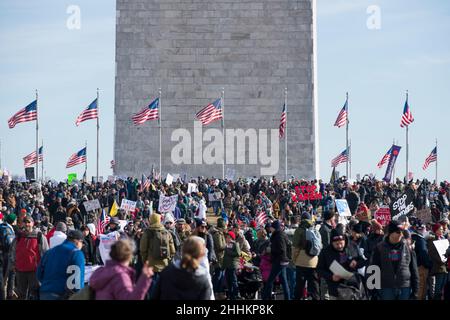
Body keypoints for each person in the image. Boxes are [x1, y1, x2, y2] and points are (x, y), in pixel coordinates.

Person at [370, 220, 419, 300]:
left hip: (404, 287)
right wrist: (372, 291)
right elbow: (373, 269)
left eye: (402, 231)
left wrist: (415, 291)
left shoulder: (408, 247)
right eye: (398, 232)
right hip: (386, 287)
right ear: (390, 233)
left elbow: (414, 270)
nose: (400, 234)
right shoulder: (379, 248)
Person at [317, 226, 366, 300]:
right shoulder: (325, 252)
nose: (339, 246)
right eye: (336, 244)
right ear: (332, 242)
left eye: (341, 243)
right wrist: (331, 276)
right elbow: (319, 269)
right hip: (335, 290)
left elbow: (362, 261)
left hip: (353, 287)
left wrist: (356, 263)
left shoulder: (353, 246)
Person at [37, 230, 86, 300]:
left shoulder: (49, 252)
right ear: (77, 241)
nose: (82, 246)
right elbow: (77, 283)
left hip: (45, 293)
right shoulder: (76, 253)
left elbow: (39, 274)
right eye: (82, 243)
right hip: (62, 295)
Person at [11, 214, 49, 300]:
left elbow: (46, 252)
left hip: (34, 271)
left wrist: (44, 268)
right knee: (21, 295)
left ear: (33, 223)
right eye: (25, 222)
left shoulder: (39, 236)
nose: (27, 224)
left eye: (28, 222)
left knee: (34, 294)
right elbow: (13, 251)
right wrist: (13, 264)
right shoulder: (19, 236)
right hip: (20, 270)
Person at [140, 213, 175, 298]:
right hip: (165, 266)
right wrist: (168, 260)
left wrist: (145, 261)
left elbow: (143, 249)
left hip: (151, 266)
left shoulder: (147, 232)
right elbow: (172, 250)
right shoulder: (167, 232)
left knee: (151, 291)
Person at [292, 212, 320, 300]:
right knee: (314, 286)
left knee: (299, 286)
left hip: (302, 262)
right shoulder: (315, 229)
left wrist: (294, 260)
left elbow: (295, 248)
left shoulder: (299, 230)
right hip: (314, 261)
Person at [262, 220, 291, 300]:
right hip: (283, 261)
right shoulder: (281, 234)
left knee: (270, 280)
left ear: (274, 227)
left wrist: (270, 250)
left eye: (271, 227)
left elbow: (281, 249)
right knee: (284, 281)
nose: (270, 228)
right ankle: (287, 298)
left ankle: (265, 297)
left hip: (279, 261)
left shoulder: (278, 236)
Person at [410, 219, 432, 300]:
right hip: (421, 267)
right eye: (424, 228)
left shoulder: (412, 238)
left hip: (414, 266)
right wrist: (429, 264)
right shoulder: (420, 240)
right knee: (421, 289)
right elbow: (423, 253)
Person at [427, 223, 449, 300]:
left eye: (443, 229)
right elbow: (433, 254)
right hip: (438, 267)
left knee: (443, 286)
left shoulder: (443, 239)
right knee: (438, 287)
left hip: (445, 266)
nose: (442, 230)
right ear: (436, 230)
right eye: (440, 229)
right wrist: (442, 260)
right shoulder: (432, 240)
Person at [0, 213, 17, 300]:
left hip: (2, 255)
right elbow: (10, 244)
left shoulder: (2, 227)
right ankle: (8, 295)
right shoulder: (7, 230)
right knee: (8, 276)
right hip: (6, 256)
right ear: (13, 221)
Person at [223, 231, 241, 300]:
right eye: (226, 237)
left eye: (228, 237)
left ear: (231, 238)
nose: (227, 239)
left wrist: (228, 251)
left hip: (233, 265)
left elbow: (238, 253)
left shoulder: (235, 244)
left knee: (233, 280)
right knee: (228, 281)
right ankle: (230, 295)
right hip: (227, 266)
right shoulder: (227, 244)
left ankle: (236, 294)